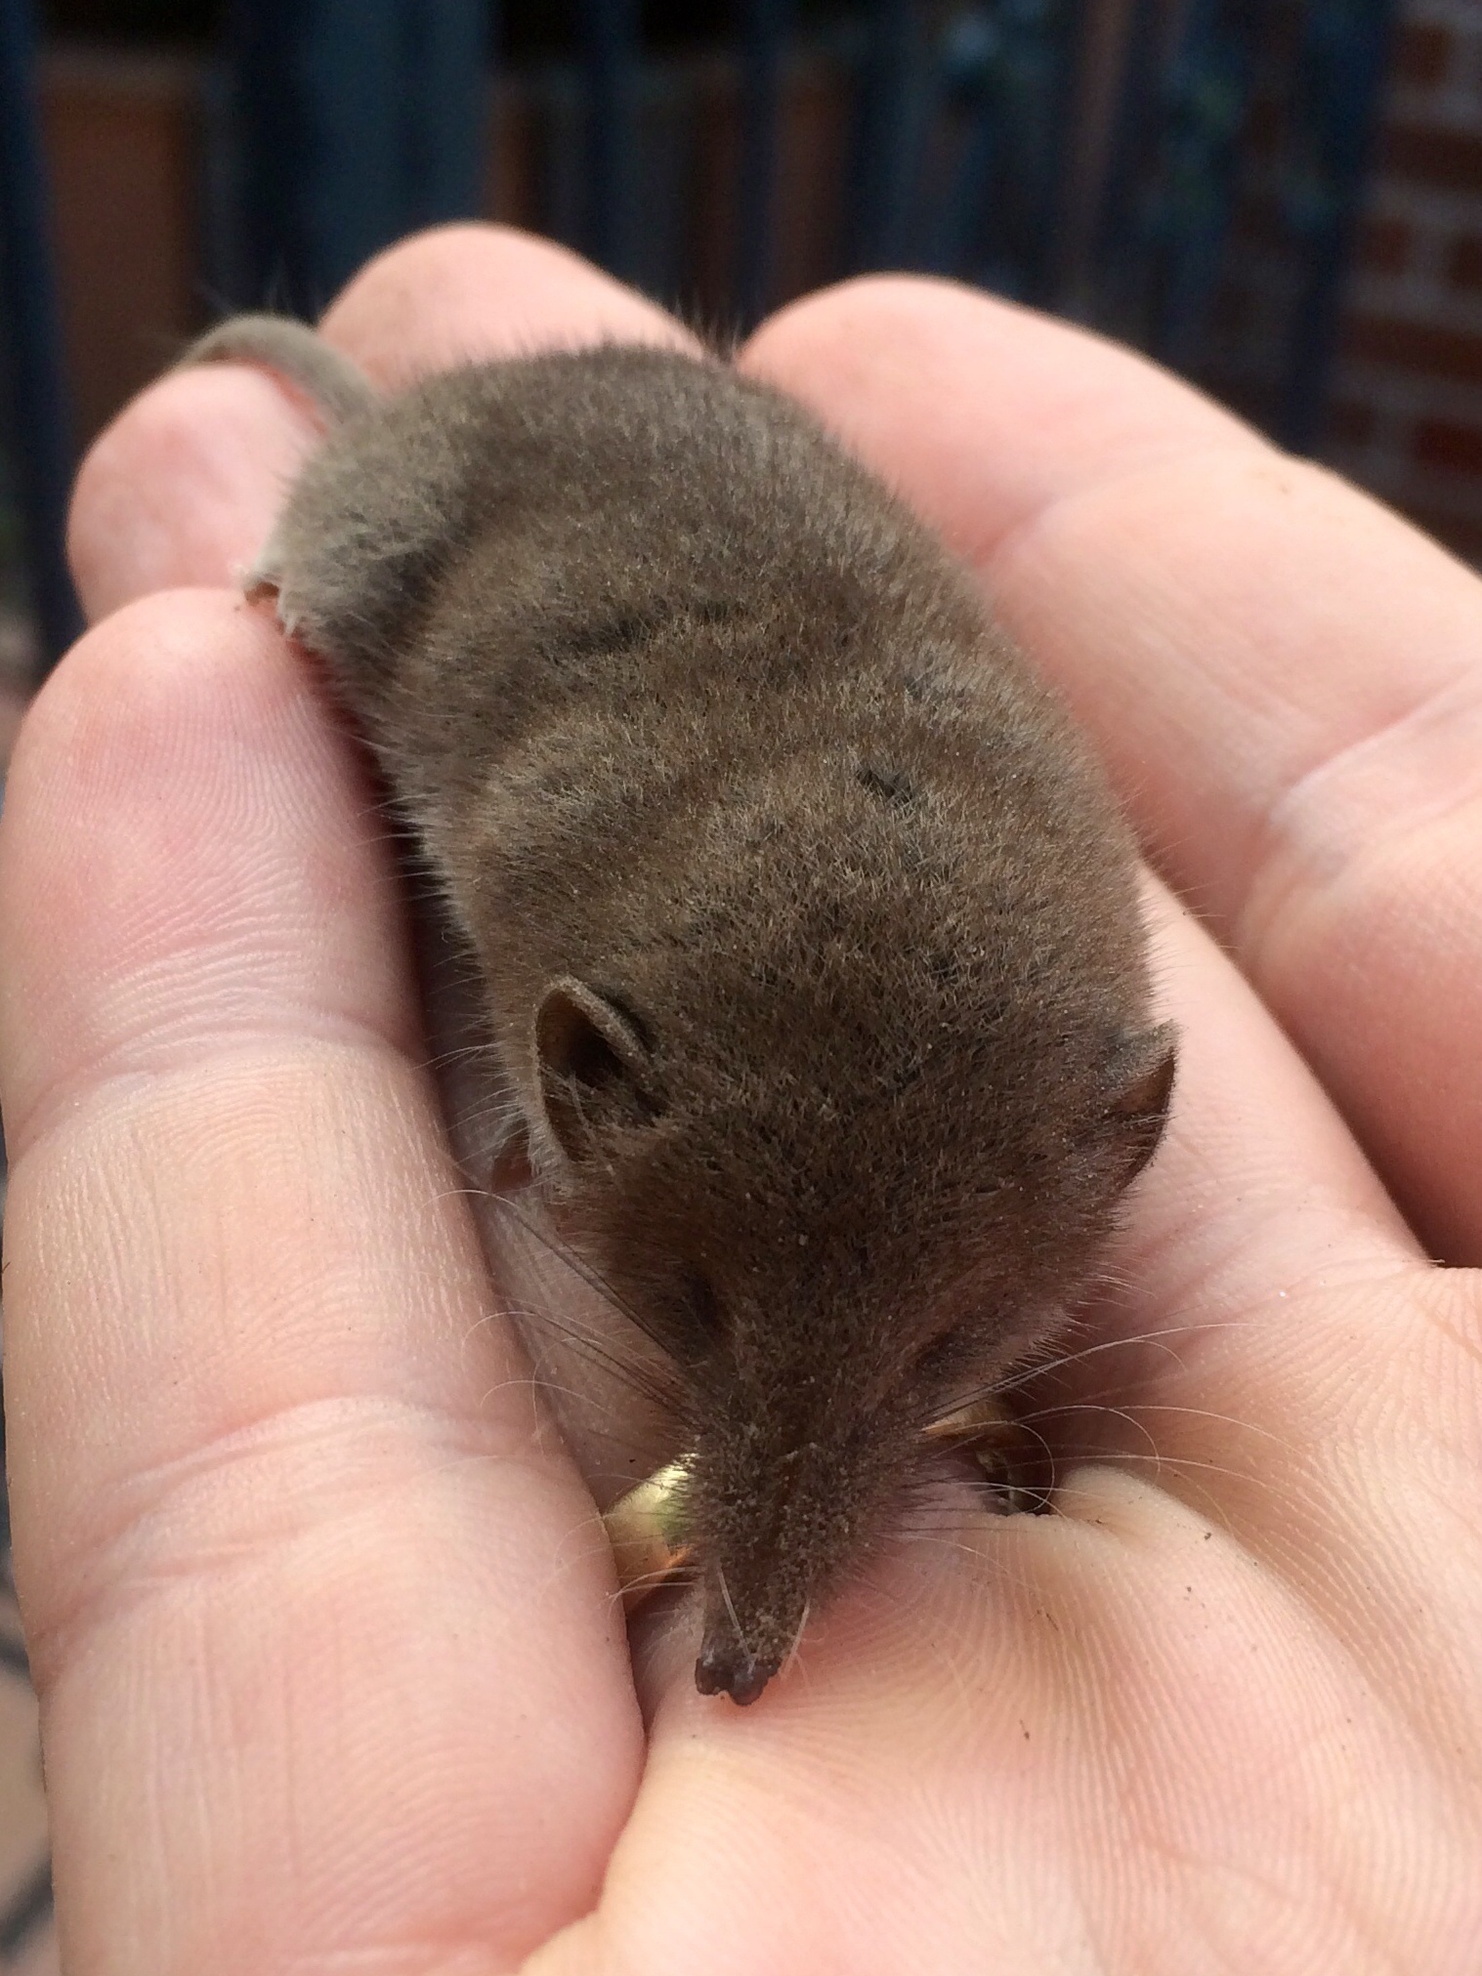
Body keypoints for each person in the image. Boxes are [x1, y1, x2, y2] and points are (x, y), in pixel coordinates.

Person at [2, 224, 1478, 1972]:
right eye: (706, 1301)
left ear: (1121, 1137)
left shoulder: (1050, 1016)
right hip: (484, 503)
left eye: (932, 1354)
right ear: (580, 1079)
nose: (768, 1592)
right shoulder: (577, 845)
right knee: (356, 564)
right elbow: (530, 857)